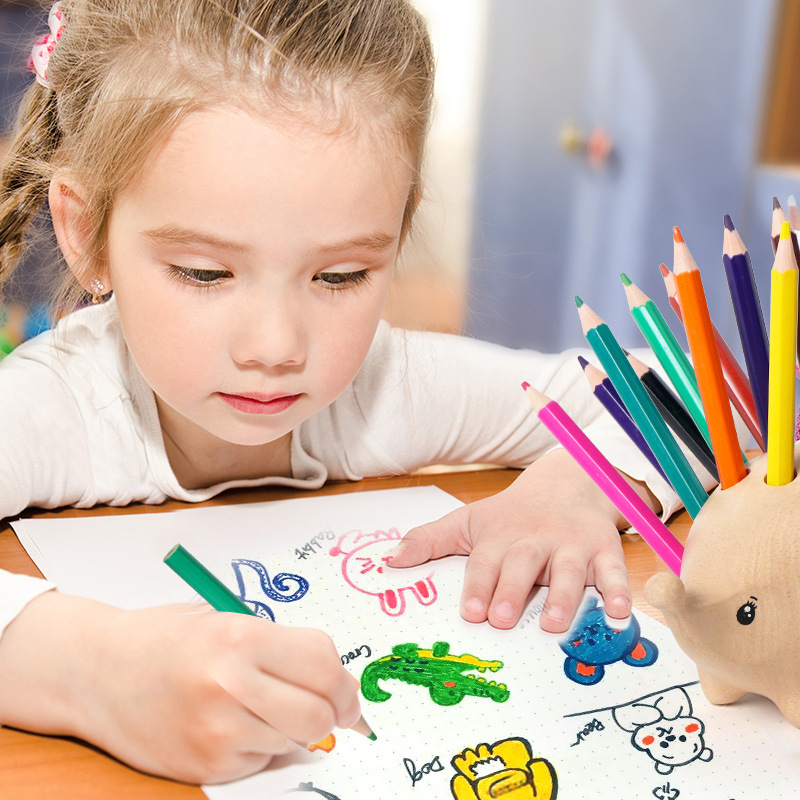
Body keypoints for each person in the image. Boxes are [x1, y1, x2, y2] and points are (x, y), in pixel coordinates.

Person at [0, 0, 701, 785]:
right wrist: (91, 673)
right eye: (204, 273)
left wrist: (581, 486)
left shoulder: (391, 387)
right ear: (86, 232)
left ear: (397, 234)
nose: (275, 347)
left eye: (339, 276)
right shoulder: (49, 409)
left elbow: (690, 393)